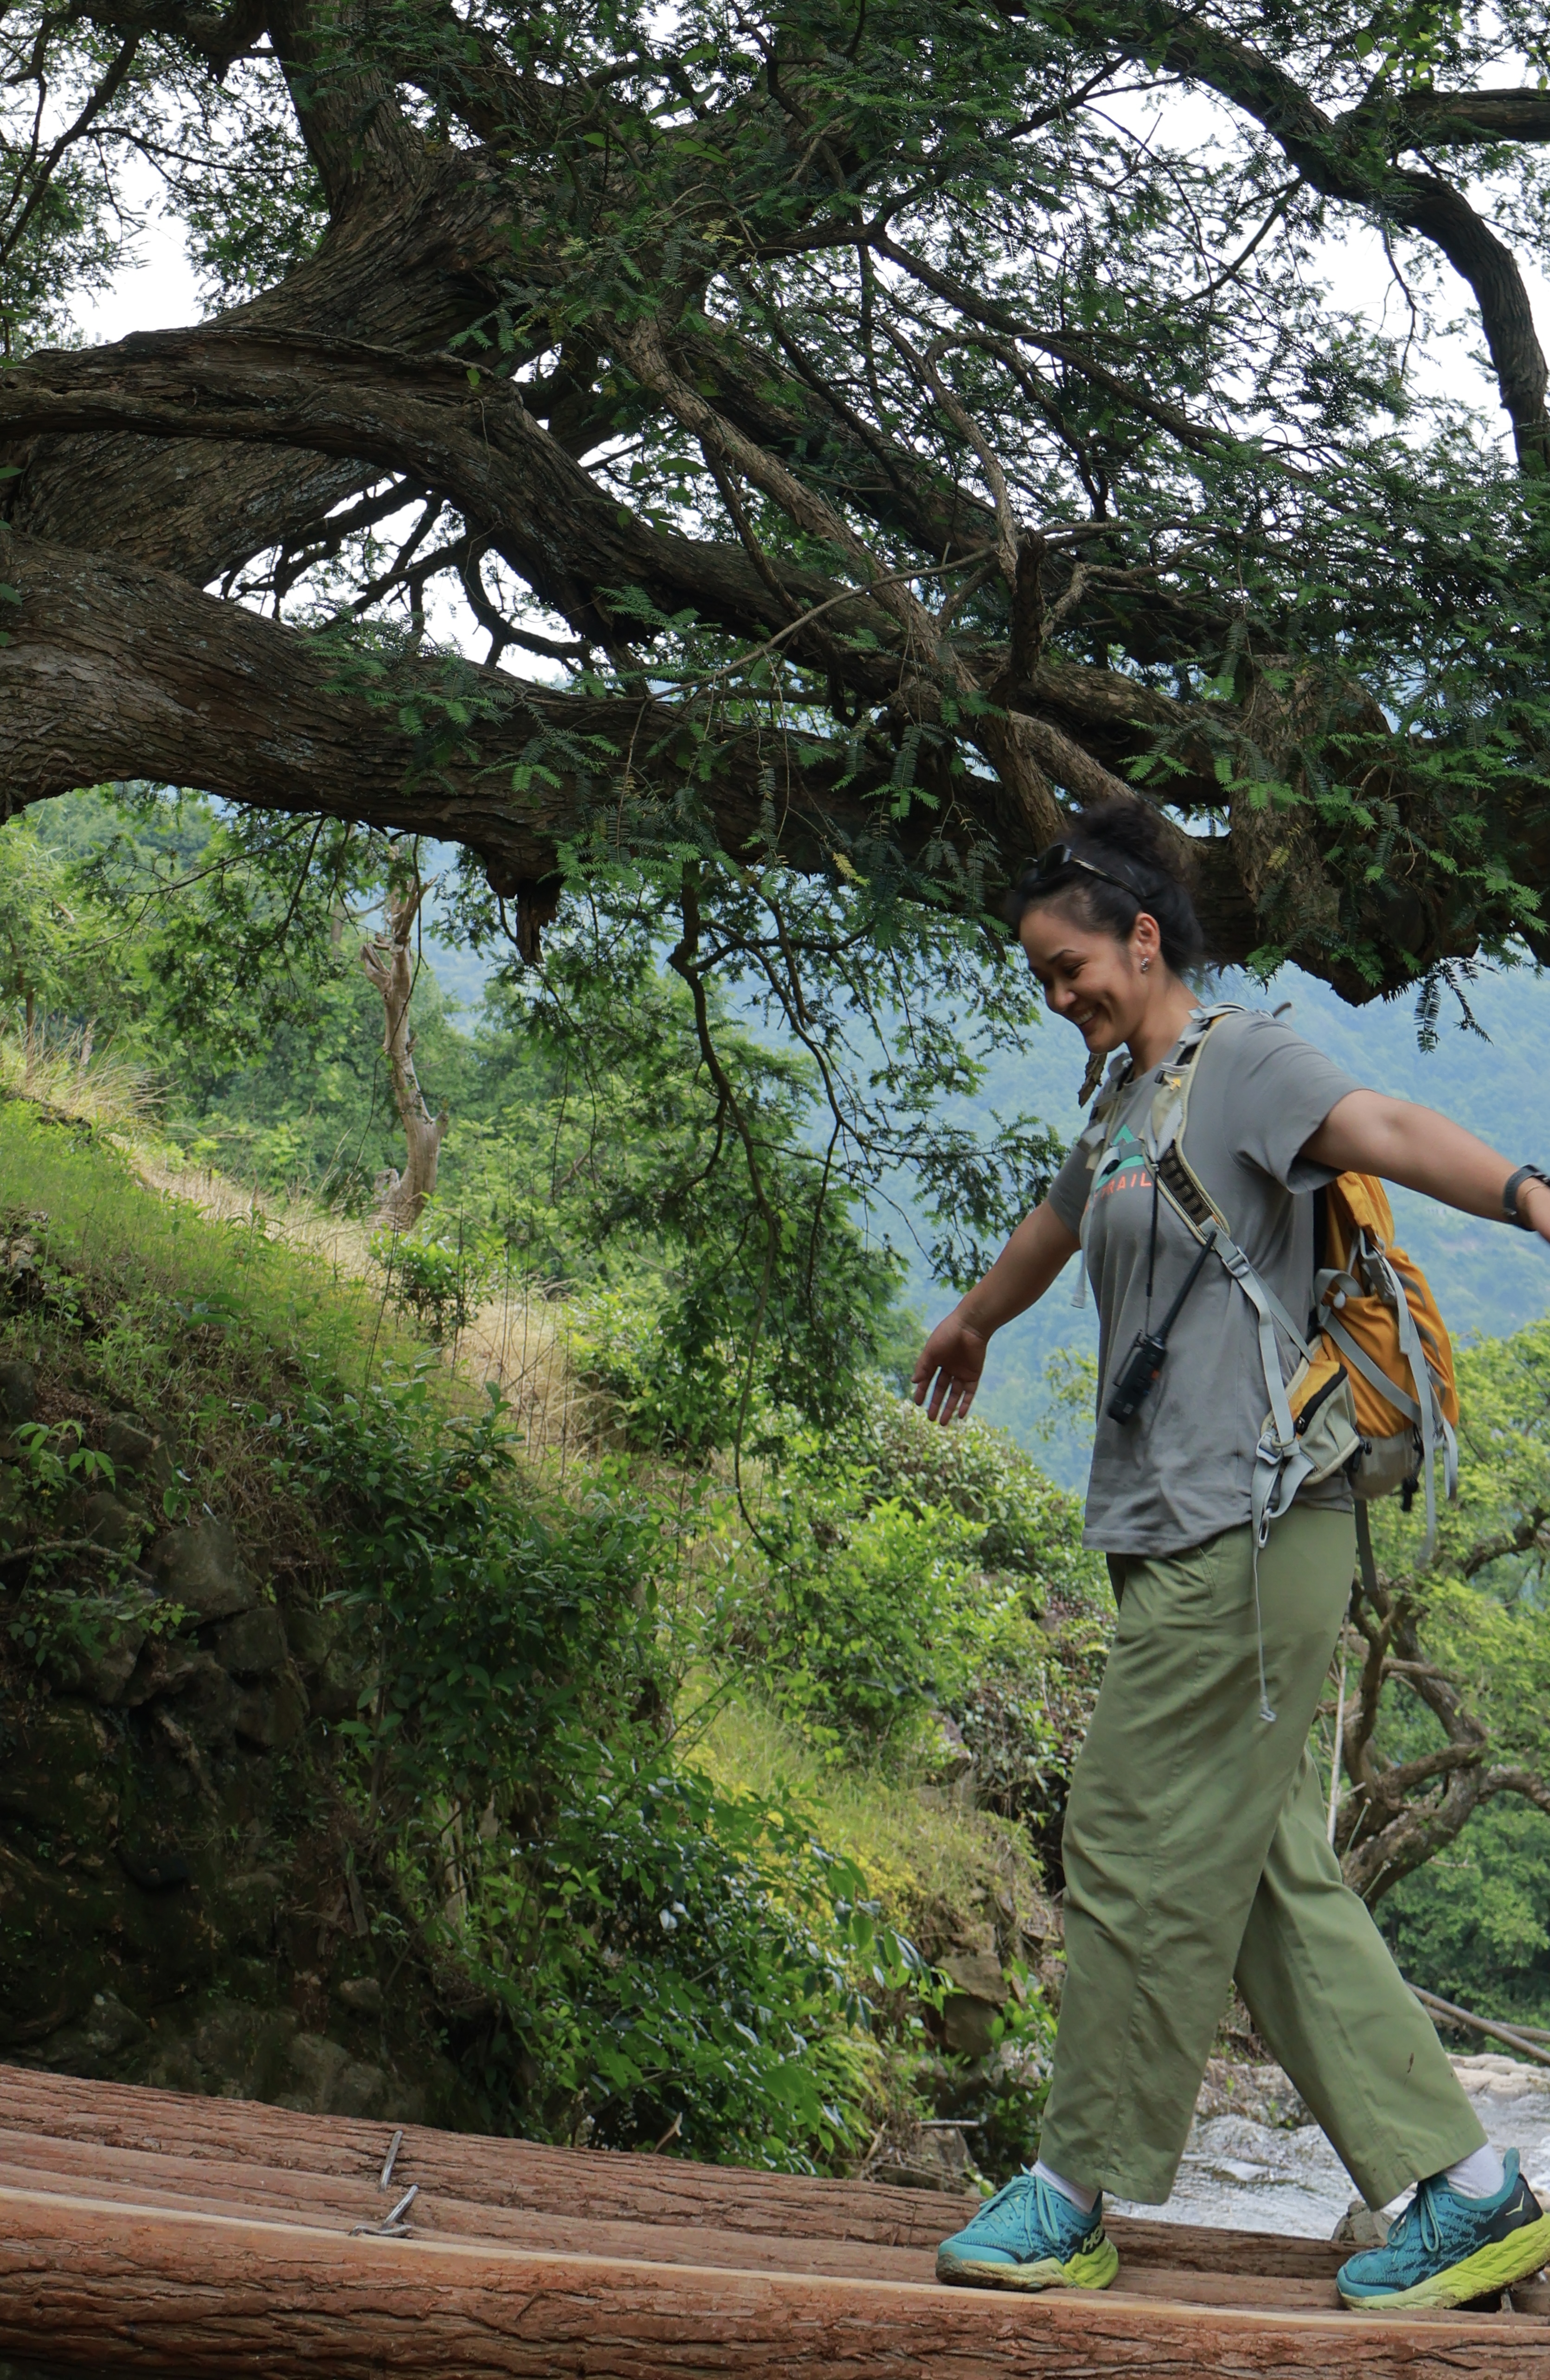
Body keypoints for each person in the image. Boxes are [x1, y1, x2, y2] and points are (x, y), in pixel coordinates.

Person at [913, 802, 1550, 2314]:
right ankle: (1470, 2186)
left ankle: (1074, 2191)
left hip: (1256, 1530)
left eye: (1074, 963)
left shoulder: (1247, 1062)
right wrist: (972, 1321)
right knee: (1265, 1886)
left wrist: (1533, 1201)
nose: (1059, 991)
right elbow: (1058, 1224)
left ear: (1146, 936)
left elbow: (1385, 1129)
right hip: (1176, 1531)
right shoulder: (1122, 1103)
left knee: (1129, 1835)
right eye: (1041, 975)